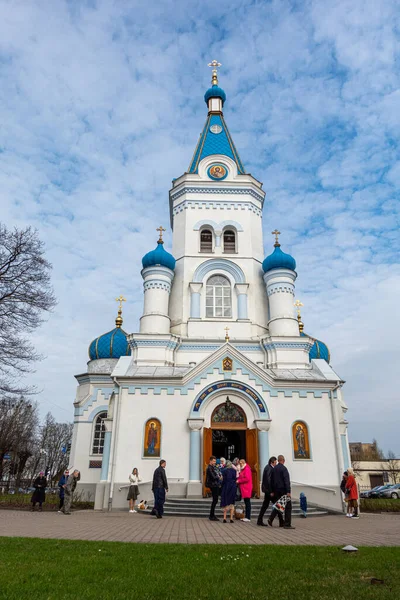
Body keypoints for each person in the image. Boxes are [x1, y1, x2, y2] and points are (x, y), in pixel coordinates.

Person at [268, 455, 294, 529]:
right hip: (283, 491)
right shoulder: (284, 469)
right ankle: (287, 524)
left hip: (276, 491)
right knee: (288, 507)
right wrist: (288, 491)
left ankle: (272, 518)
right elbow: (286, 481)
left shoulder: (274, 469)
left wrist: (272, 491)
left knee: (279, 505)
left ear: (278, 460)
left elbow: (271, 481)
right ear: (283, 460)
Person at [257, 456, 277, 526]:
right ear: (272, 462)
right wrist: (271, 491)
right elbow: (268, 481)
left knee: (265, 505)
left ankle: (259, 520)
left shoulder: (267, 467)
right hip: (269, 490)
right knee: (277, 505)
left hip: (267, 490)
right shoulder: (269, 468)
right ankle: (272, 519)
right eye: (275, 462)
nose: (276, 464)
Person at [206, 455, 222, 521]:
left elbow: (216, 474)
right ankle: (211, 515)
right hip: (213, 485)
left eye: (215, 461)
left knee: (215, 500)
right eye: (213, 461)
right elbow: (213, 477)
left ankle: (212, 514)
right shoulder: (209, 468)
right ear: (210, 461)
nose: (215, 462)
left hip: (215, 484)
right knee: (215, 500)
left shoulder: (213, 467)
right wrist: (219, 477)